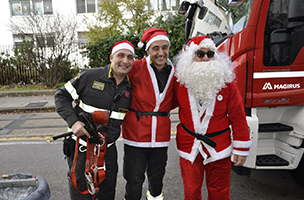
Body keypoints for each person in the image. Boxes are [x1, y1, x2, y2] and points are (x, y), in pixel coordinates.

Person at [174, 35, 252, 199]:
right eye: (200, 54)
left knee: (220, 192)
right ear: (191, 57)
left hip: (219, 146)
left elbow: (238, 115)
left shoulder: (226, 82)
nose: (205, 58)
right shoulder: (179, 81)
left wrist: (241, 148)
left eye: (210, 54)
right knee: (191, 191)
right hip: (189, 145)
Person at [54, 40, 135, 200]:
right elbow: (61, 96)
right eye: (121, 55)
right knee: (81, 194)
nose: (125, 61)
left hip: (108, 151)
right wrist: (74, 122)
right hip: (82, 148)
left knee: (107, 193)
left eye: (130, 57)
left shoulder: (130, 88)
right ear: (111, 57)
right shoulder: (89, 76)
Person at [121, 28, 176, 200]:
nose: (161, 52)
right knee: (134, 176)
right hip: (135, 133)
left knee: (157, 174)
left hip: (160, 134)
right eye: (156, 48)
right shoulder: (135, 67)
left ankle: (155, 197)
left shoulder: (175, 72)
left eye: (164, 47)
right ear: (147, 50)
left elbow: (178, 98)